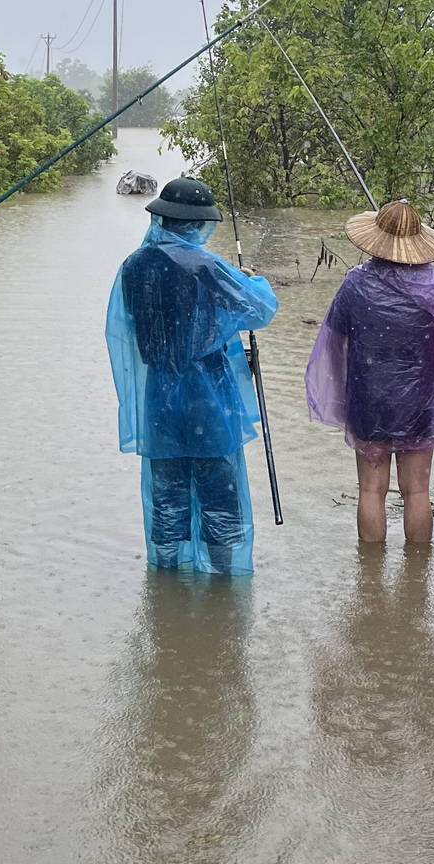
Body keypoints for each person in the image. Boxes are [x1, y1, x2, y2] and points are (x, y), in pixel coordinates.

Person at [106, 176, 279, 575]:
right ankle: (221, 582)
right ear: (197, 223)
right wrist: (249, 278)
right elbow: (259, 308)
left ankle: (166, 579)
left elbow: (130, 325)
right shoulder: (207, 266)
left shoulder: (133, 267)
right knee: (219, 489)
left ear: (164, 219)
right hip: (208, 396)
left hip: (160, 395)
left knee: (167, 493)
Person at [305, 199, 434, 544]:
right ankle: (416, 579)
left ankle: (370, 582)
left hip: (368, 400)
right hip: (419, 404)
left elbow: (332, 344)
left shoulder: (355, 285)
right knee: (417, 492)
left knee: (370, 489)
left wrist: (342, 395)